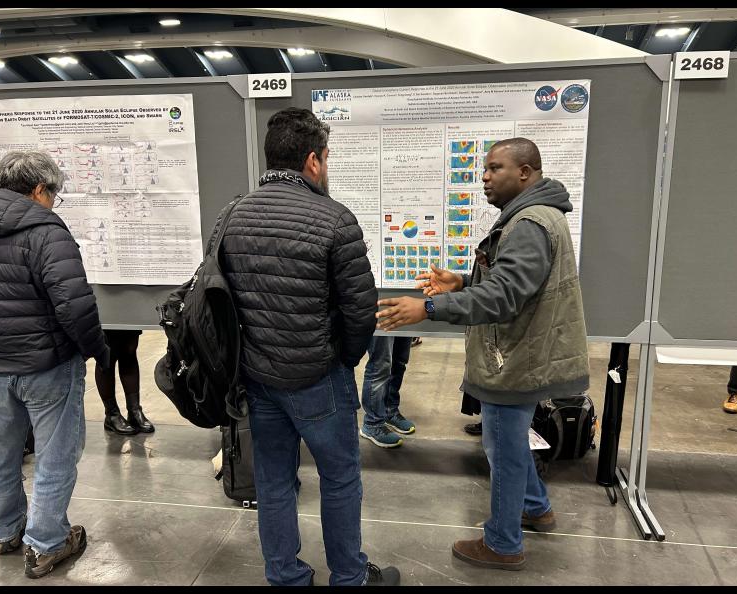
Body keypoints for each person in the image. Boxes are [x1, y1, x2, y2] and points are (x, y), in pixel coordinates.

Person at [375, 138, 590, 571]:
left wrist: (429, 307)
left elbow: (505, 297)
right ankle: (535, 506)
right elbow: (512, 288)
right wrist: (461, 282)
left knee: (503, 450)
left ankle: (503, 544)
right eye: (484, 170)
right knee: (506, 442)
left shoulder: (529, 224)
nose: (485, 179)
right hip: (522, 354)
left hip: (515, 361)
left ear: (526, 172)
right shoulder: (536, 217)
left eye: (495, 169)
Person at [213, 107, 399, 586]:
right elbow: (361, 311)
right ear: (313, 161)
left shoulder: (232, 214)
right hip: (318, 378)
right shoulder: (335, 219)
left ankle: (285, 576)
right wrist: (345, 359)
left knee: (275, 482)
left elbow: (220, 298)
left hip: (257, 377)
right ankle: (349, 577)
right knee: (339, 478)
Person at [0, 150, 110, 578]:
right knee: (56, 455)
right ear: (40, 189)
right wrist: (97, 349)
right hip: (46, 366)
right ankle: (45, 543)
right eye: (54, 193)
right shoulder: (46, 231)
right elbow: (74, 306)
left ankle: (6, 532)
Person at [360, 336, 416, 448]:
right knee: (380, 365)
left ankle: (390, 411)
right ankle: (372, 423)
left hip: (404, 320)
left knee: (399, 362)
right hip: (379, 319)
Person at [95, 329, 154, 434]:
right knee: (107, 355)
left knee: (129, 351)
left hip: (129, 313)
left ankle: (134, 411)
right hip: (106, 315)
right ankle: (112, 415)